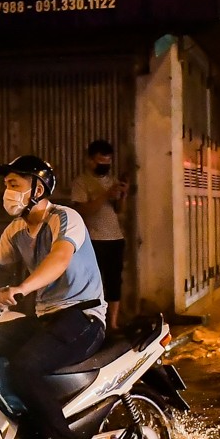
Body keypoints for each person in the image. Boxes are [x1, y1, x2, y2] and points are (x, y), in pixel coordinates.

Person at [0, 154, 106, 439]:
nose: (7, 192)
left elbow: (59, 259)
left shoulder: (65, 218)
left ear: (38, 188)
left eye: (14, 184)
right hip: (48, 319)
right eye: (6, 185)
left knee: (26, 364)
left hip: (83, 317)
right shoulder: (15, 230)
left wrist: (22, 287)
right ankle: (20, 431)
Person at [68, 139, 127, 328]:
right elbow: (82, 211)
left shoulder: (112, 180)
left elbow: (119, 210)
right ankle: (93, 322)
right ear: (90, 160)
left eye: (108, 162)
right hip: (93, 239)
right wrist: (105, 195)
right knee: (92, 283)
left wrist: (122, 195)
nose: (104, 166)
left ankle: (114, 323)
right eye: (101, 162)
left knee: (114, 282)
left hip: (115, 238)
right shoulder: (81, 182)